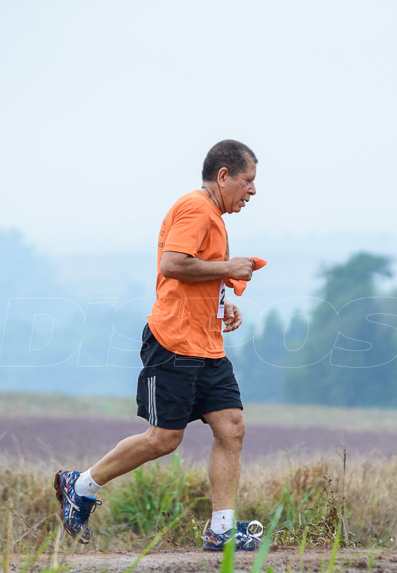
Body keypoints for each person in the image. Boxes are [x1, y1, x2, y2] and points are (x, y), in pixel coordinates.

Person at [54, 139, 264, 551]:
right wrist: (229, 266)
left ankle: (222, 529)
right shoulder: (195, 207)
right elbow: (173, 263)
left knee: (231, 427)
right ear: (224, 176)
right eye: (248, 181)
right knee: (164, 439)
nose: (252, 191)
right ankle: (80, 486)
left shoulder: (214, 215)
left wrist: (224, 302)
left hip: (207, 344)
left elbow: (192, 272)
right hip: (174, 344)